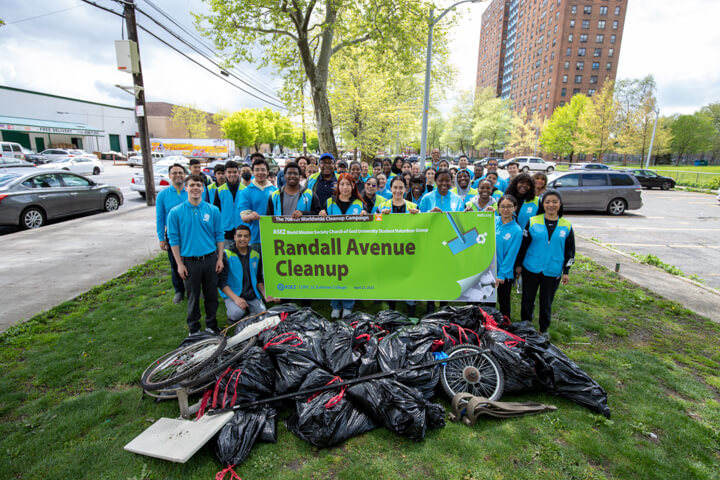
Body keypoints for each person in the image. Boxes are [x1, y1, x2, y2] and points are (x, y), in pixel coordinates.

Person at [167, 174, 224, 335]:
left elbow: (219, 235)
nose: (195, 188)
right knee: (193, 296)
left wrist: (219, 258)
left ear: (203, 188)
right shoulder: (176, 213)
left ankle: (211, 325)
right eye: (192, 185)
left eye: (199, 185)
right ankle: (194, 328)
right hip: (190, 262)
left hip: (210, 259)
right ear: (186, 188)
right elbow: (174, 239)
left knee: (211, 295)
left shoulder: (213, 210)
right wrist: (179, 264)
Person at [515, 190, 575, 334]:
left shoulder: (566, 225)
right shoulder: (533, 221)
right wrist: (519, 265)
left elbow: (570, 250)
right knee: (527, 298)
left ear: (560, 204)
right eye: (547, 202)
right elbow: (523, 245)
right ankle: (525, 324)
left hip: (553, 269)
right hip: (531, 267)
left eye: (555, 202)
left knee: (546, 301)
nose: (551, 205)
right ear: (543, 204)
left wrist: (566, 271)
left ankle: (543, 328)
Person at [319, 173, 367, 319]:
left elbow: (369, 227)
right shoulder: (329, 202)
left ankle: (347, 305)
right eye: (342, 184)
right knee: (335, 275)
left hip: (352, 247)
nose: (345, 187)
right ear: (338, 186)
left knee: (350, 276)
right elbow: (320, 223)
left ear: (353, 186)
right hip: (333, 247)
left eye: (348, 184)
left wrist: (366, 215)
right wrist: (321, 213)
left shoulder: (360, 203)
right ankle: (335, 305)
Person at [373, 176, 419, 316]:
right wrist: (381, 216)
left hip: (408, 251)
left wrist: (418, 215)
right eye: (395, 188)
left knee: (409, 280)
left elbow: (422, 227)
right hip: (390, 251)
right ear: (390, 189)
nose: (398, 191)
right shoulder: (383, 206)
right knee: (391, 280)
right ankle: (391, 312)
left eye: (401, 188)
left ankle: (411, 313)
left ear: (405, 189)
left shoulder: (413, 206)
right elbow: (373, 225)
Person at [419, 168, 463, 314]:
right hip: (432, 243)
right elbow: (419, 220)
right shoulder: (427, 198)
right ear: (436, 181)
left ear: (451, 182)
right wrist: (430, 214)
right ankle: (430, 305)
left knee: (447, 274)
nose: (444, 183)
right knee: (432, 273)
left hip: (451, 243)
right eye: (441, 180)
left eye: (447, 180)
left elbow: (461, 221)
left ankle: (444, 306)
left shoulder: (457, 199)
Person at [218, 226, 275, 321]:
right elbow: (221, 283)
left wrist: (265, 294)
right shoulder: (226, 255)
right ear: (234, 237)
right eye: (239, 236)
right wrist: (236, 299)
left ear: (250, 238)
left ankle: (249, 308)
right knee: (236, 314)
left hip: (251, 294)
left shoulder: (255, 255)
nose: (242, 239)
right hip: (234, 294)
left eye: (245, 236)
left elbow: (259, 279)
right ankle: (238, 308)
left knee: (263, 315)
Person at [156, 163, 188, 304]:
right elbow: (160, 217)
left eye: (180, 172)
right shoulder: (163, 195)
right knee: (176, 264)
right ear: (169, 176)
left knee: (192, 263)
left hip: (190, 234)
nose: (177, 175)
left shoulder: (191, 191)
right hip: (173, 235)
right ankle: (179, 291)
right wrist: (161, 238)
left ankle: (194, 289)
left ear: (184, 175)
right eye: (174, 173)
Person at [239, 157, 277, 253]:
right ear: (253, 172)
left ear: (268, 172)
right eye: (257, 170)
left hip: (274, 237)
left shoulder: (276, 191)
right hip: (254, 239)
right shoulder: (245, 192)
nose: (260, 173)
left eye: (263, 170)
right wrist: (250, 216)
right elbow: (244, 217)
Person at [494, 195, 523, 319]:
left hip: (503, 273)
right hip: (489, 269)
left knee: (503, 300)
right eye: (502, 206)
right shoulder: (493, 221)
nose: (505, 209)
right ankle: (489, 325)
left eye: (509, 206)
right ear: (498, 208)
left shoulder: (516, 230)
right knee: (488, 300)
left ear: (515, 208)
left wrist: (501, 274)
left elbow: (511, 255)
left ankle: (505, 326)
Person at [215, 160, 246, 247]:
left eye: (235, 172)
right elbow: (216, 212)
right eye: (229, 172)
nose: (232, 174)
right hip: (225, 230)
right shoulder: (219, 190)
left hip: (241, 229)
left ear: (239, 172)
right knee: (226, 257)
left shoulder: (245, 190)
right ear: (225, 173)